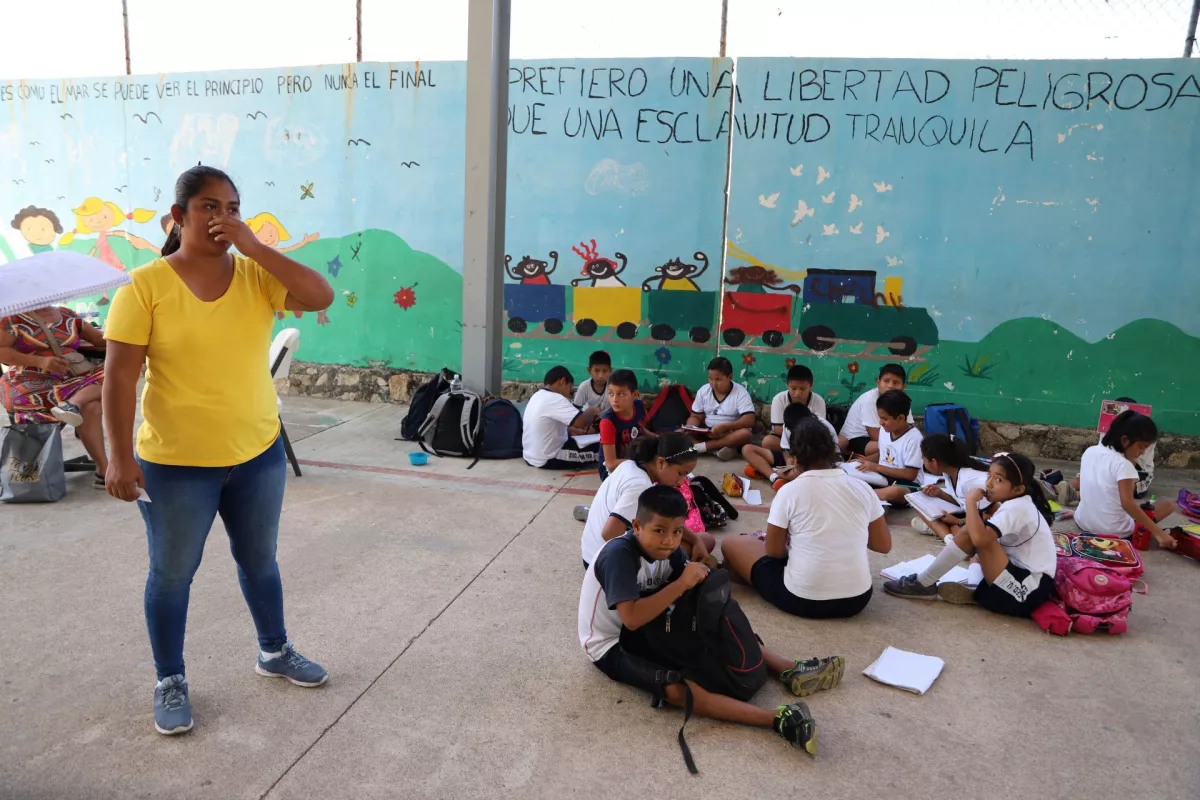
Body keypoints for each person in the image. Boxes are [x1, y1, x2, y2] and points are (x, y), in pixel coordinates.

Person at [102, 165, 335, 735]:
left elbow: (319, 294)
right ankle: (170, 678)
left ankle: (274, 651)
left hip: (256, 453)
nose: (220, 217)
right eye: (208, 206)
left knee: (260, 561)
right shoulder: (144, 287)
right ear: (176, 217)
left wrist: (255, 246)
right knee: (173, 574)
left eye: (231, 207)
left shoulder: (257, 276)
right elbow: (118, 379)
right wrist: (118, 456)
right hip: (176, 464)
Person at [579, 485, 844, 756]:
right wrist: (683, 582)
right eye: (659, 530)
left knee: (714, 626)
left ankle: (789, 669)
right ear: (636, 526)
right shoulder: (619, 556)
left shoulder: (668, 550)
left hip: (648, 624)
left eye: (677, 532)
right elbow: (632, 618)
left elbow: (692, 589)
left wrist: (703, 573)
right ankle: (778, 718)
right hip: (611, 644)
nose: (669, 541)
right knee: (674, 688)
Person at [722, 418, 891, 619]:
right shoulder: (863, 489)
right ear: (833, 451)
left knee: (732, 543)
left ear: (792, 458)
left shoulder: (789, 491)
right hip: (857, 600)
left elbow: (774, 552)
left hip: (802, 599)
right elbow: (883, 545)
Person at [884, 452, 1058, 615]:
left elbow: (978, 538)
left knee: (975, 536)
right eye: (989, 475)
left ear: (1018, 490)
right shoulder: (1016, 503)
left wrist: (970, 502)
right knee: (976, 551)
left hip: (1025, 593)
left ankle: (924, 583)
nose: (988, 483)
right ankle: (975, 588)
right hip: (1023, 580)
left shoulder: (1017, 508)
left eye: (998, 480)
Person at [0, 307, 108, 486]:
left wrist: (134, 336)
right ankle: (72, 406)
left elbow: (98, 339)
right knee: (92, 401)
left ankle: (73, 405)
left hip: (72, 380)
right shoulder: (12, 318)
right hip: (28, 381)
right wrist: (40, 361)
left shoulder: (67, 315)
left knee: (115, 376)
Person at [580, 433, 715, 568]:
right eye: (680, 473)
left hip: (591, 556)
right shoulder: (640, 486)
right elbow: (610, 534)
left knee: (700, 540)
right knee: (705, 541)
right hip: (606, 564)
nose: (681, 482)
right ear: (661, 462)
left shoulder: (630, 465)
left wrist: (695, 539)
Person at [1074, 410, 1176, 548]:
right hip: (1114, 533)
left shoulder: (1090, 451)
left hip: (1082, 522)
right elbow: (1128, 504)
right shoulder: (1123, 465)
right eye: (1141, 447)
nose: (1143, 452)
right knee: (1167, 504)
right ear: (1125, 440)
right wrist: (1159, 534)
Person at [742, 364, 825, 484]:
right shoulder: (779, 399)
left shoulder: (818, 401)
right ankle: (775, 478)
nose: (797, 393)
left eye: (802, 389)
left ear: (810, 386)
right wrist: (788, 456)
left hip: (807, 449)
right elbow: (778, 430)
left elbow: (818, 432)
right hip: (784, 447)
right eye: (793, 388)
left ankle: (770, 470)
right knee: (758, 445)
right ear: (787, 385)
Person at [908, 433, 989, 537]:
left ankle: (948, 537)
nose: (924, 464)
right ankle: (947, 534)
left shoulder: (970, 481)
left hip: (989, 523)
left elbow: (990, 515)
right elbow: (962, 501)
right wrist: (940, 493)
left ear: (934, 462)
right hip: (970, 516)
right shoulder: (949, 473)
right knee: (918, 505)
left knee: (958, 531)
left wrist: (958, 521)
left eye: (924, 460)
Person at [851, 390, 923, 505]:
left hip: (907, 485)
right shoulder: (884, 431)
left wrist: (877, 467)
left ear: (900, 418)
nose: (881, 422)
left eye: (885, 419)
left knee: (893, 492)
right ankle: (866, 495)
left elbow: (911, 474)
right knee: (850, 476)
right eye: (880, 418)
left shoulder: (914, 438)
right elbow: (881, 454)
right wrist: (863, 461)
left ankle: (861, 496)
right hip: (882, 478)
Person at [522, 366, 599, 469]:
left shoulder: (537, 396)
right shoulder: (555, 398)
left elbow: (545, 425)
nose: (568, 395)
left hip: (530, 456)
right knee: (603, 448)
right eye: (569, 389)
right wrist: (592, 411)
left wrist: (570, 430)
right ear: (563, 381)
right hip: (549, 458)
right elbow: (581, 423)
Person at [685, 357, 755, 460]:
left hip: (729, 433)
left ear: (729, 377)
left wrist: (725, 427)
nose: (713, 383)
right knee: (681, 434)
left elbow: (749, 420)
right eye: (710, 378)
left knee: (745, 434)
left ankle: (702, 447)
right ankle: (716, 449)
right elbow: (695, 416)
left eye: (718, 379)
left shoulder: (740, 392)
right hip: (707, 432)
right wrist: (690, 427)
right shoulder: (704, 391)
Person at [837, 364, 910, 457]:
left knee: (906, 446)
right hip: (858, 438)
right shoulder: (869, 400)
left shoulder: (904, 400)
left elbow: (909, 427)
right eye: (886, 381)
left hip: (889, 436)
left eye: (896, 383)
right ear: (878, 382)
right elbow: (875, 435)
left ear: (903, 386)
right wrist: (902, 442)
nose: (890, 386)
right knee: (894, 447)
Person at [764, 402, 838, 491]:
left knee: (791, 473)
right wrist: (789, 460)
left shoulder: (824, 428)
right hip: (800, 464)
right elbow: (785, 449)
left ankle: (775, 475)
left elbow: (833, 456)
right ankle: (775, 476)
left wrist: (802, 465)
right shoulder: (789, 425)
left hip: (819, 467)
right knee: (748, 449)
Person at [598, 368, 649, 480]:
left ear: (634, 394)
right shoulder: (607, 421)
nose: (614, 399)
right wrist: (643, 464)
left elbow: (641, 429)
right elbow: (611, 464)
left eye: (621, 394)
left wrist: (659, 440)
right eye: (611, 393)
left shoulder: (639, 406)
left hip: (634, 459)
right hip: (613, 472)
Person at [246, 212, 319, 254]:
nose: (269, 239)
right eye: (258, 237)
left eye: (271, 234)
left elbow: (289, 248)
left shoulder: (274, 252)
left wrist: (305, 241)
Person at [573, 350, 612, 416]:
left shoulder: (613, 386)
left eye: (605, 371)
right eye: (596, 371)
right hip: (589, 419)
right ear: (589, 370)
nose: (601, 376)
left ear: (610, 371)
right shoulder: (584, 387)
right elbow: (576, 409)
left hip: (608, 419)